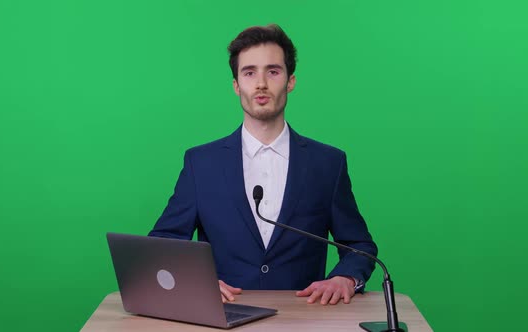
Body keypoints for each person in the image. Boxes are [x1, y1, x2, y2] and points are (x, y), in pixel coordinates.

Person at [149, 24, 378, 305]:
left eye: (273, 71)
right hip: (222, 316)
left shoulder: (328, 163)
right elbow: (163, 243)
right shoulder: (201, 163)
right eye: (249, 73)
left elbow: (359, 245)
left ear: (290, 81)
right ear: (236, 85)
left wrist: (345, 278)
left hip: (305, 317)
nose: (261, 83)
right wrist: (193, 281)